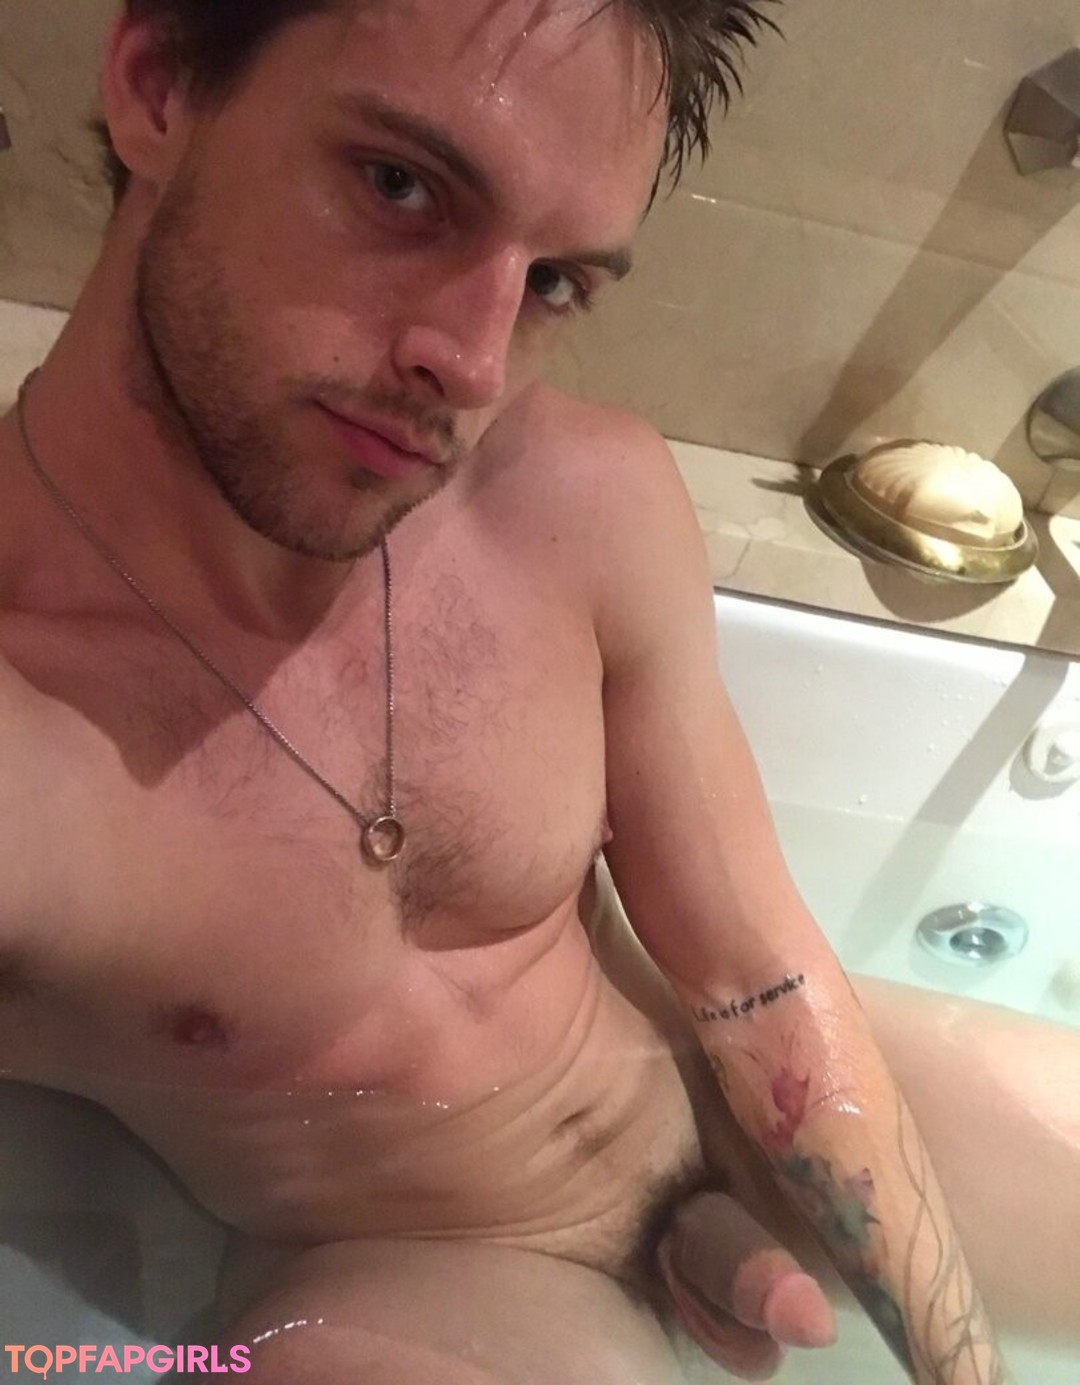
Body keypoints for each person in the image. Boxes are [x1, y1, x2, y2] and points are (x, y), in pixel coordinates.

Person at [0, 1, 1012, 1380]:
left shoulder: (576, 501)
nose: (470, 366)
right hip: (419, 1274)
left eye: (556, 283)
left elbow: (751, 971)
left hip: (704, 1092)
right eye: (400, 185)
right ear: (158, 83)